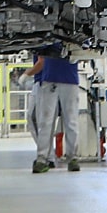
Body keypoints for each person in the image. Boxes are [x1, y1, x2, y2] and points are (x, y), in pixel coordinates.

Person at [26, 44, 81, 173]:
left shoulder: (74, 32)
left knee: (71, 121)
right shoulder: (47, 34)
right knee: (45, 122)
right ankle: (42, 159)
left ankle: (72, 158)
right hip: (51, 80)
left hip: (68, 80)